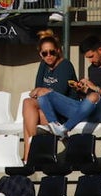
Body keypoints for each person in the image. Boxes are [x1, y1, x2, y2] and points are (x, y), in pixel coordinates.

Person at [38, 35, 101, 138]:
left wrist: (95, 88)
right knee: (44, 94)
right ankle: (54, 125)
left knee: (94, 96)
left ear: (100, 50)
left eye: (91, 56)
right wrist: (81, 90)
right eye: (87, 58)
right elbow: (89, 97)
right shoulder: (92, 68)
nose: (90, 60)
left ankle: (64, 128)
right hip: (87, 110)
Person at [21, 32, 78, 162]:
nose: (48, 56)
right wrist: (41, 91)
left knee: (30, 108)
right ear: (40, 54)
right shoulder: (43, 65)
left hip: (65, 110)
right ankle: (29, 156)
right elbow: (36, 91)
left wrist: (41, 90)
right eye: (44, 53)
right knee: (30, 109)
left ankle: (30, 152)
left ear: (58, 50)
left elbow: (58, 94)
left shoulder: (65, 65)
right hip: (48, 109)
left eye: (52, 52)